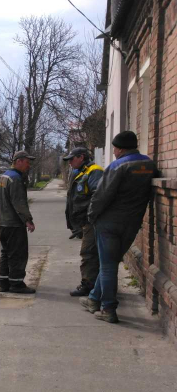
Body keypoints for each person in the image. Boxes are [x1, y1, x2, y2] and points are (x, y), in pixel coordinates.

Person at [81, 131, 156, 323]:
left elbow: (102, 195)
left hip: (109, 223)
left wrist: (91, 215)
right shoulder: (148, 164)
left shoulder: (117, 166)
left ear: (121, 148)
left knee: (107, 266)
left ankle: (108, 309)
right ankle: (93, 299)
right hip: (131, 223)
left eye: (114, 148)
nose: (113, 152)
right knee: (111, 263)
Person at [0, 150, 36, 293]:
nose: (28, 165)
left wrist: (1, 209)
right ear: (18, 161)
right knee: (18, 253)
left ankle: (4, 283)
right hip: (14, 224)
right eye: (27, 162)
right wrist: (28, 220)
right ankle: (16, 284)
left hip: (2, 223)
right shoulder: (16, 178)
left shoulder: (4, 176)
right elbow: (19, 202)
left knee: (6, 252)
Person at [62, 147, 103, 296]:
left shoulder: (94, 171)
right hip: (84, 222)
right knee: (91, 253)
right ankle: (96, 284)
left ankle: (89, 285)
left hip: (92, 221)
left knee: (88, 253)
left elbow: (97, 197)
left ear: (81, 157)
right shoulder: (79, 172)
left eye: (71, 159)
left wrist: (89, 218)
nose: (70, 163)